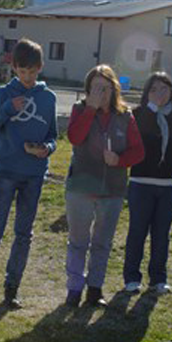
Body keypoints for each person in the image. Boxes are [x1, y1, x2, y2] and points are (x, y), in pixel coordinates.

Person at [0, 39, 57, 310]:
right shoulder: (4, 94)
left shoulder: (48, 97)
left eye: (32, 71)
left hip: (34, 174)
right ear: (14, 67)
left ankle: (12, 286)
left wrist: (47, 148)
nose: (27, 77)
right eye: (22, 71)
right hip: (6, 171)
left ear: (40, 68)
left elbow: (53, 134)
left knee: (24, 233)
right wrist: (8, 109)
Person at [65, 64, 145, 308]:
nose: (101, 93)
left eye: (105, 88)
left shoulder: (125, 116)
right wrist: (90, 109)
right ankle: (74, 289)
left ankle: (94, 289)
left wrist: (120, 160)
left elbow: (139, 151)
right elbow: (74, 138)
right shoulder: (80, 110)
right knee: (78, 241)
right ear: (88, 90)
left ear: (114, 89)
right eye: (95, 88)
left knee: (102, 242)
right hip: (80, 187)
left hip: (112, 189)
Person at [122, 72, 172, 295]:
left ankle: (158, 279)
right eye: (154, 89)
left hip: (169, 186)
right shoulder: (136, 115)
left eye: (164, 89)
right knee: (137, 231)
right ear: (147, 93)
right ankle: (132, 278)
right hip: (140, 183)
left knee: (161, 234)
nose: (159, 94)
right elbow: (127, 145)